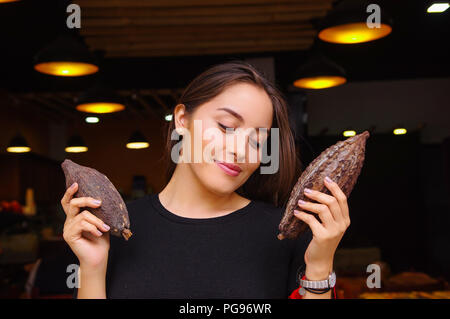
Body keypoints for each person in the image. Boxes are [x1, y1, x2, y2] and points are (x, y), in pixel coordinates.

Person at [60, 61, 351, 299]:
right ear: (182, 120)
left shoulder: (285, 235)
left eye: (258, 141)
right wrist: (93, 267)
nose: (240, 150)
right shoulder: (113, 231)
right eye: (226, 126)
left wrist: (320, 265)